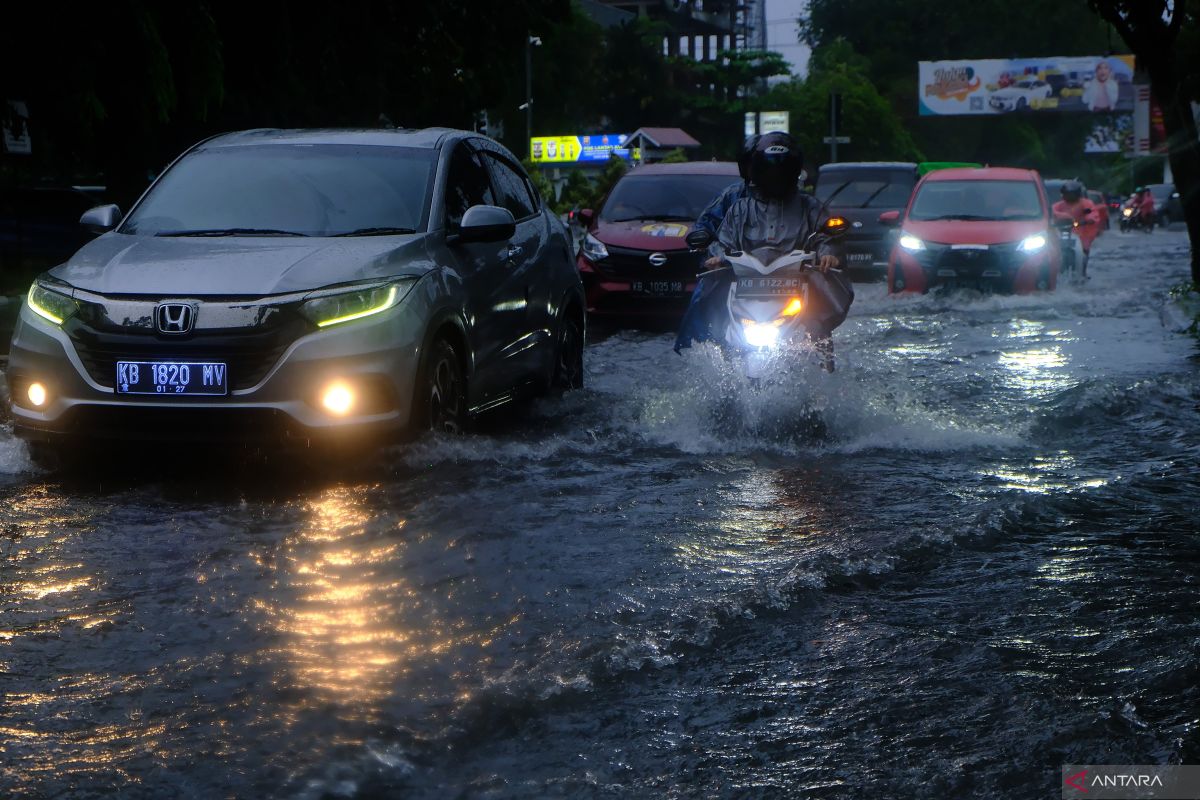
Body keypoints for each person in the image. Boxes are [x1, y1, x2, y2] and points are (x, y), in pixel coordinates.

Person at [675, 132, 847, 368]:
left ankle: (824, 374)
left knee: (817, 327)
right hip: (745, 285)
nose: (775, 176)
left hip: (797, 285)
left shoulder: (810, 206)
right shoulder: (739, 206)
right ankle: (712, 366)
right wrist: (716, 256)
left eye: (782, 170)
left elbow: (826, 236)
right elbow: (722, 239)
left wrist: (828, 255)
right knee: (713, 315)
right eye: (769, 170)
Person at [1051, 179, 1100, 277]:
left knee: (1084, 252)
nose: (1069, 196)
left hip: (1081, 233)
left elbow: (1091, 213)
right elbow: (1051, 212)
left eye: (1071, 194)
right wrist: (1060, 218)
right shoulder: (1059, 205)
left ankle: (1083, 272)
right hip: (1062, 232)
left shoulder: (1085, 204)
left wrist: (1088, 219)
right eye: (1067, 194)